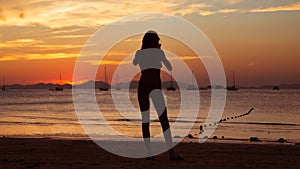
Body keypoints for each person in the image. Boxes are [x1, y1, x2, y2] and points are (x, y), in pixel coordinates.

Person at [133, 30, 183, 160]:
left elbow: (134, 63)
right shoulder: (159, 53)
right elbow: (170, 67)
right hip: (155, 87)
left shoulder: (140, 53)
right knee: (163, 120)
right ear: (156, 41)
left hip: (143, 87)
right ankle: (172, 153)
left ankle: (149, 154)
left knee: (146, 121)